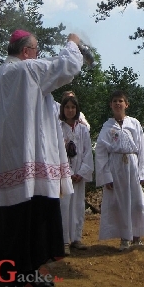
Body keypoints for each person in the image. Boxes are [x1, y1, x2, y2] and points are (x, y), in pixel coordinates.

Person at [0, 30, 83, 287]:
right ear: (26, 52)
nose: (38, 54)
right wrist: (72, 43)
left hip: (10, 158)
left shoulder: (1, 73)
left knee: (10, 221)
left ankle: (5, 274)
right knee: (31, 218)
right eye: (36, 49)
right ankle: (26, 273)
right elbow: (67, 65)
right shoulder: (27, 70)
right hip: (31, 158)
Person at [95, 90, 144, 251]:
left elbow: (142, 148)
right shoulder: (107, 127)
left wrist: (143, 172)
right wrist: (105, 176)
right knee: (119, 203)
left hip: (132, 165)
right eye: (114, 101)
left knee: (137, 202)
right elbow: (100, 152)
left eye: (120, 101)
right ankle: (124, 238)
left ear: (126, 104)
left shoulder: (134, 124)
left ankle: (137, 237)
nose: (117, 103)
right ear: (110, 105)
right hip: (115, 167)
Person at [59, 92, 94, 255]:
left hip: (79, 174)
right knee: (64, 206)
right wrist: (69, 172)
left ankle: (76, 238)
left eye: (73, 107)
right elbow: (57, 152)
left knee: (78, 206)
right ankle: (64, 241)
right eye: (67, 107)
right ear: (63, 109)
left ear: (77, 109)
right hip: (64, 175)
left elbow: (88, 152)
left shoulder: (83, 130)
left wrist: (81, 172)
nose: (70, 110)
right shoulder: (58, 128)